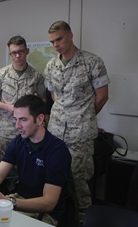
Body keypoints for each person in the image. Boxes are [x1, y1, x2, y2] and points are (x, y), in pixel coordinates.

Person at [0, 95, 72, 226]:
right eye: (16, 119)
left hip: (45, 213)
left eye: (23, 120)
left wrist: (8, 201)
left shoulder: (57, 151)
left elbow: (49, 203)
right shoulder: (19, 141)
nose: (17, 125)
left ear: (39, 119)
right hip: (19, 199)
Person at [45, 20, 110, 221]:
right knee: (55, 177)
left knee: (79, 180)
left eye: (59, 39)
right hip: (55, 133)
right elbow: (54, 95)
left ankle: (83, 219)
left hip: (80, 135)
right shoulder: (51, 65)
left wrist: (85, 117)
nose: (56, 45)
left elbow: (102, 96)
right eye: (52, 41)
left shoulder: (92, 62)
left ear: (71, 35)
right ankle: (58, 217)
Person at [0, 35, 46, 164]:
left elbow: (43, 100)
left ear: (27, 51)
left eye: (20, 52)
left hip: (29, 130)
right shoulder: (1, 74)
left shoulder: (36, 75)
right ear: (10, 54)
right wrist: (7, 107)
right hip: (6, 130)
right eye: (14, 53)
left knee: (27, 164)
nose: (18, 56)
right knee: (5, 165)